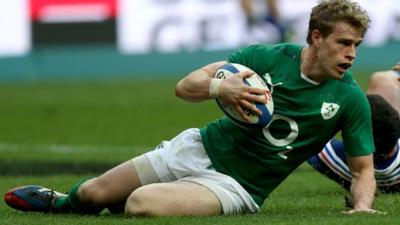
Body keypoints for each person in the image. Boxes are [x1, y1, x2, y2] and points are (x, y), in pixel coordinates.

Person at [4, 0, 379, 216]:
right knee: (92, 194)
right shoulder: (262, 58)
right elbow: (185, 87)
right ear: (316, 37)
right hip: (198, 148)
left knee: (140, 204)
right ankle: (64, 203)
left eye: (357, 45)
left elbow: (363, 169)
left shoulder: (349, 99)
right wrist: (222, 86)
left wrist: (362, 208)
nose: (352, 53)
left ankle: (175, 194)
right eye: (344, 42)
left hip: (237, 186)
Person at [308, 63, 400, 194]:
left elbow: (306, 132)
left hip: (349, 168)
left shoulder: (331, 156)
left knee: (380, 80)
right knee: (382, 79)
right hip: (393, 169)